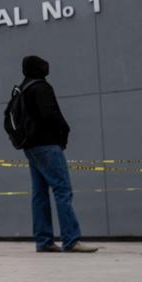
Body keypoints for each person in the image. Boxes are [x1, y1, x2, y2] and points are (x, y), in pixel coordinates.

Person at [17, 56, 98, 254]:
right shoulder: (41, 87)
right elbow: (50, 115)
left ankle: (43, 241)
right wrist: (65, 130)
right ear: (38, 68)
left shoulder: (23, 89)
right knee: (62, 190)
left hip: (31, 147)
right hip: (47, 144)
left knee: (40, 194)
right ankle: (71, 239)